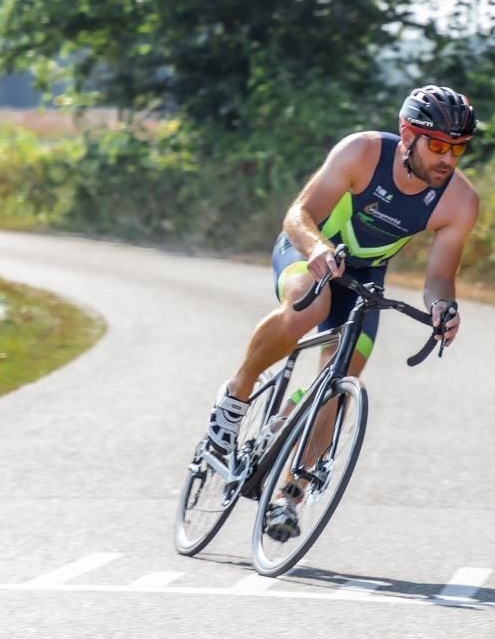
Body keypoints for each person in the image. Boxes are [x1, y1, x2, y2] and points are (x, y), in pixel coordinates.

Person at [205, 83, 479, 539]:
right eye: (436, 145)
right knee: (310, 307)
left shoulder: (460, 202)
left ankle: (287, 497)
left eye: (458, 148)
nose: (447, 159)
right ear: (406, 135)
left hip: (365, 277)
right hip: (308, 251)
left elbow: (438, 280)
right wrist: (315, 249)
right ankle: (236, 394)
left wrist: (444, 308)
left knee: (343, 377)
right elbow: (298, 215)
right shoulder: (362, 152)